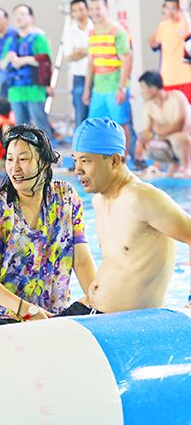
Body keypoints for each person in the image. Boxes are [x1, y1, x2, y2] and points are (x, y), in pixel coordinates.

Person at [0, 125, 96, 327]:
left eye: (23, 159)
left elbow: (82, 261)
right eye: (10, 159)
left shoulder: (66, 197)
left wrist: (98, 304)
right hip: (0, 319)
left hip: (52, 318)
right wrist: (26, 310)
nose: (14, 168)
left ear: (44, 163)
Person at [73, 118, 191, 313]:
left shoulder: (143, 198)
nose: (77, 170)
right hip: (90, 309)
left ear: (114, 160)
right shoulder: (99, 199)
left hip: (128, 322)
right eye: (75, 160)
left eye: (85, 161)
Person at [84, 0, 135, 160]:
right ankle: (100, 161)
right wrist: (87, 89)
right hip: (98, 88)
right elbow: (91, 62)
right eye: (92, 9)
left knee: (120, 124)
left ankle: (124, 161)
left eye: (98, 8)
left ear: (106, 8)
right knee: (95, 126)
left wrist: (122, 87)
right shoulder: (92, 32)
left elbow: (127, 60)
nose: (95, 12)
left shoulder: (117, 31)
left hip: (115, 86)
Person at [2, 5, 54, 138]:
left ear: (31, 18)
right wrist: (9, 58)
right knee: (20, 130)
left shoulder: (39, 38)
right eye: (16, 15)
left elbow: (46, 61)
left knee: (40, 126)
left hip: (34, 89)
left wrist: (24, 60)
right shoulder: (11, 40)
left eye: (23, 14)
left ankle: (46, 150)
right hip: (15, 91)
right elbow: (2, 65)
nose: (19, 17)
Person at [139, 71, 191, 171]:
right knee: (150, 146)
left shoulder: (177, 97)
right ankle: (174, 165)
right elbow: (148, 131)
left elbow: (179, 126)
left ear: (153, 89)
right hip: (170, 139)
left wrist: (158, 131)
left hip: (186, 137)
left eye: (143, 87)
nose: (141, 92)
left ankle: (187, 167)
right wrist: (142, 141)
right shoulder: (149, 106)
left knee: (179, 138)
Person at [150, 0, 191, 101]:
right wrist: (163, 20)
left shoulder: (186, 23)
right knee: (170, 110)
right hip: (167, 79)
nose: (170, 11)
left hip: (186, 78)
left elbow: (189, 36)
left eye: (173, 8)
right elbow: (153, 44)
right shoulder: (163, 26)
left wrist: (184, 10)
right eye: (167, 8)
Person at [60, 0, 93, 130]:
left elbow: (97, 53)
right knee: (80, 116)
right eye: (74, 10)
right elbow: (69, 56)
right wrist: (89, 51)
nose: (78, 13)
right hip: (79, 77)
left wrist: (80, 50)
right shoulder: (70, 31)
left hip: (97, 77)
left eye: (81, 9)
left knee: (97, 115)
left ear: (87, 10)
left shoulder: (95, 28)